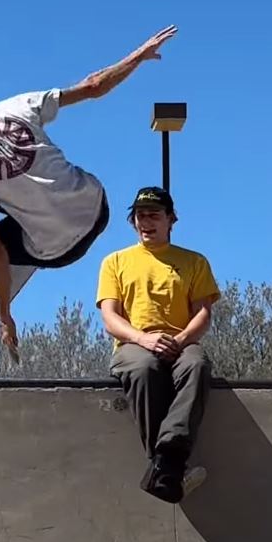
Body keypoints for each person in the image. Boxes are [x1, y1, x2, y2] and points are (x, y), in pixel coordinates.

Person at [0, 25, 179, 359]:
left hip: (58, 250)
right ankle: (29, 217)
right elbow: (93, 86)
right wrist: (138, 56)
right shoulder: (16, 106)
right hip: (97, 207)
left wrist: (3, 315)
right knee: (7, 196)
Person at [95, 186, 219, 503]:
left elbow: (203, 314)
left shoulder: (194, 262)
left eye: (153, 215)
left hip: (180, 342)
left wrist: (179, 340)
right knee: (143, 368)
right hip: (133, 344)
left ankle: (168, 458)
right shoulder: (115, 262)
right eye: (139, 216)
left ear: (170, 219)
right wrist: (143, 338)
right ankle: (169, 469)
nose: (145, 222)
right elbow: (110, 317)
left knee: (196, 364)